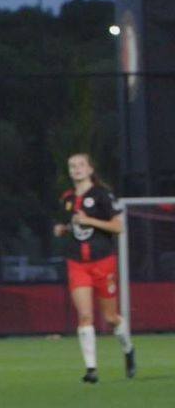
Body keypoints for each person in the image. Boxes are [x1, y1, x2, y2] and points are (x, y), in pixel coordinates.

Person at [52, 152, 135, 383]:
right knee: (85, 314)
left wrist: (90, 221)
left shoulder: (102, 194)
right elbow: (68, 224)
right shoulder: (67, 197)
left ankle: (128, 349)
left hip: (102, 261)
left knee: (110, 317)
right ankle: (91, 369)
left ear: (90, 169)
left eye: (80, 165)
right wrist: (63, 229)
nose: (76, 169)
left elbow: (117, 227)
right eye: (72, 166)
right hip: (77, 263)